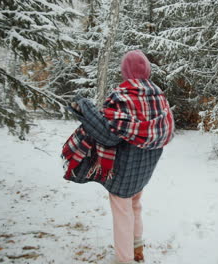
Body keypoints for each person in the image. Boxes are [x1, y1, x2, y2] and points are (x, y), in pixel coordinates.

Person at [62, 50, 174, 264]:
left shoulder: (121, 96)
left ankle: (125, 259)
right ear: (147, 70)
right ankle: (137, 249)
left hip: (123, 170)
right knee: (135, 206)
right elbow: (167, 130)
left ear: (124, 72)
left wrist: (85, 109)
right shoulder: (159, 96)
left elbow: (108, 136)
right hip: (145, 169)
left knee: (123, 215)